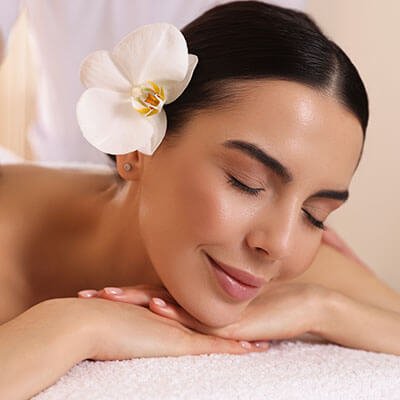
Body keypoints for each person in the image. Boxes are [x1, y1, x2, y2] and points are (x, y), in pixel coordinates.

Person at [1, 2, 400, 399]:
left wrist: (322, 308)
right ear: (136, 148)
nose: (279, 244)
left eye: (315, 215)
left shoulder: (286, 265)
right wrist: (77, 325)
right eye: (246, 183)